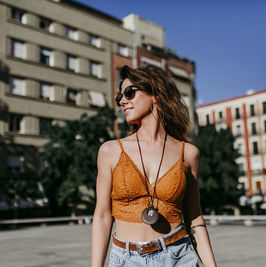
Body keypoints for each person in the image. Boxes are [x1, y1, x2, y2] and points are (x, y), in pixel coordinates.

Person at [91, 65, 217, 267]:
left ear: (156, 94)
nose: (123, 101)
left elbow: (194, 219)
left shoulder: (189, 154)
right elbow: (103, 215)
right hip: (126, 259)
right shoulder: (110, 151)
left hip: (179, 256)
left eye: (129, 93)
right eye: (120, 97)